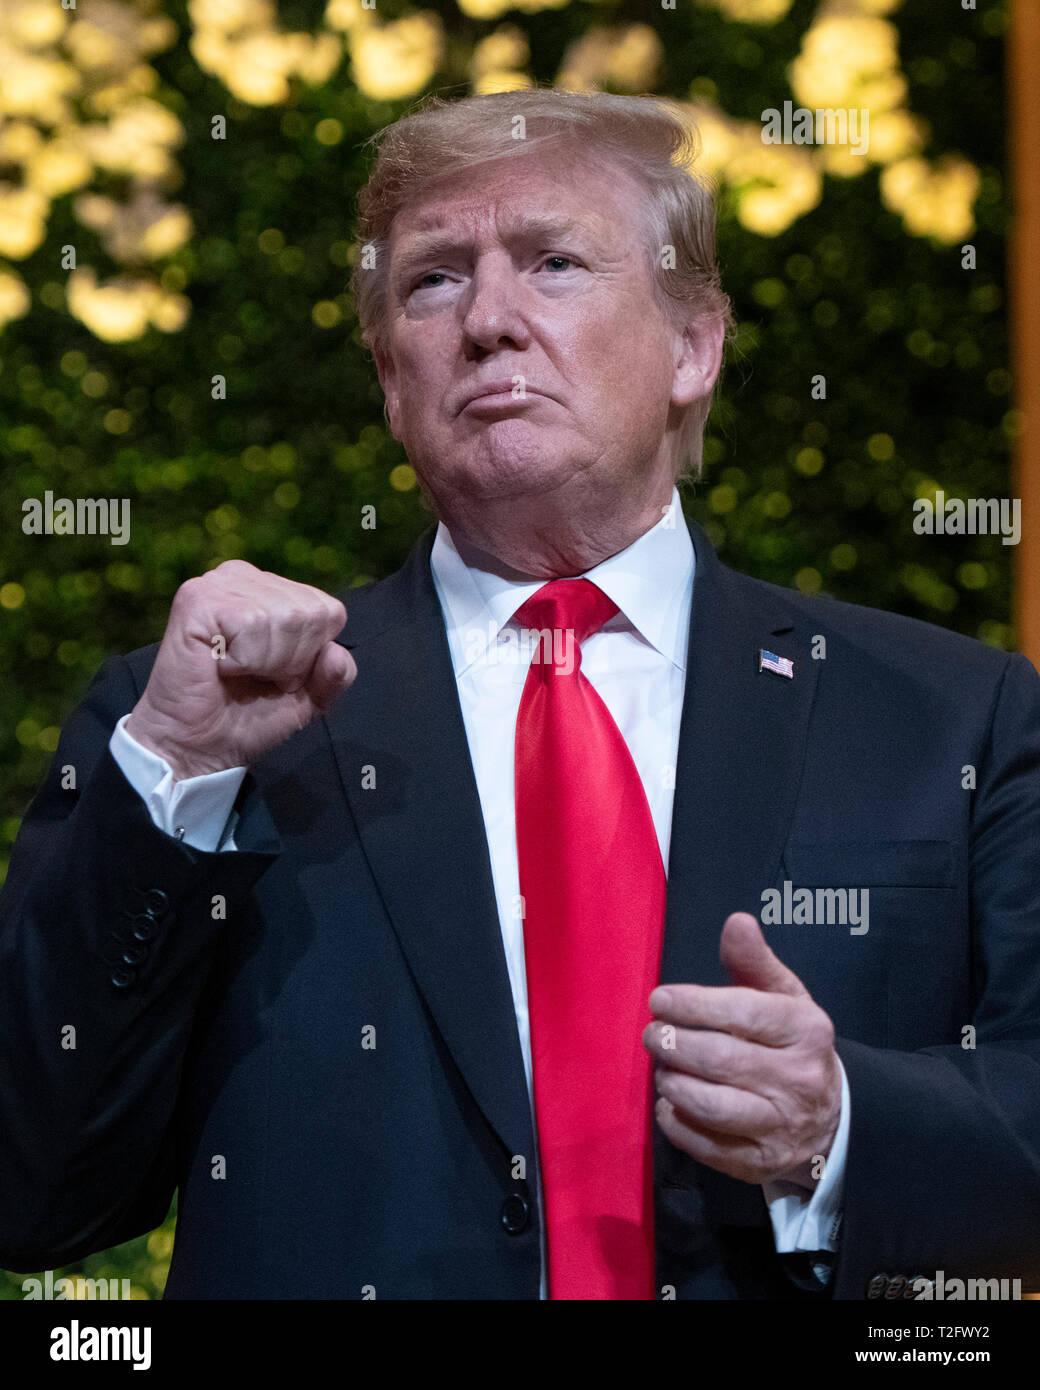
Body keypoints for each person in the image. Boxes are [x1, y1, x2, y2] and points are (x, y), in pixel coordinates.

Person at [1, 87, 1038, 1301]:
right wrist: (173, 774)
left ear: (692, 348)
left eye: (552, 262)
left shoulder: (949, 716)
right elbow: (36, 1183)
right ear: (393, 384)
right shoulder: (207, 723)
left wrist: (842, 1123)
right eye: (433, 282)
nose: (488, 318)